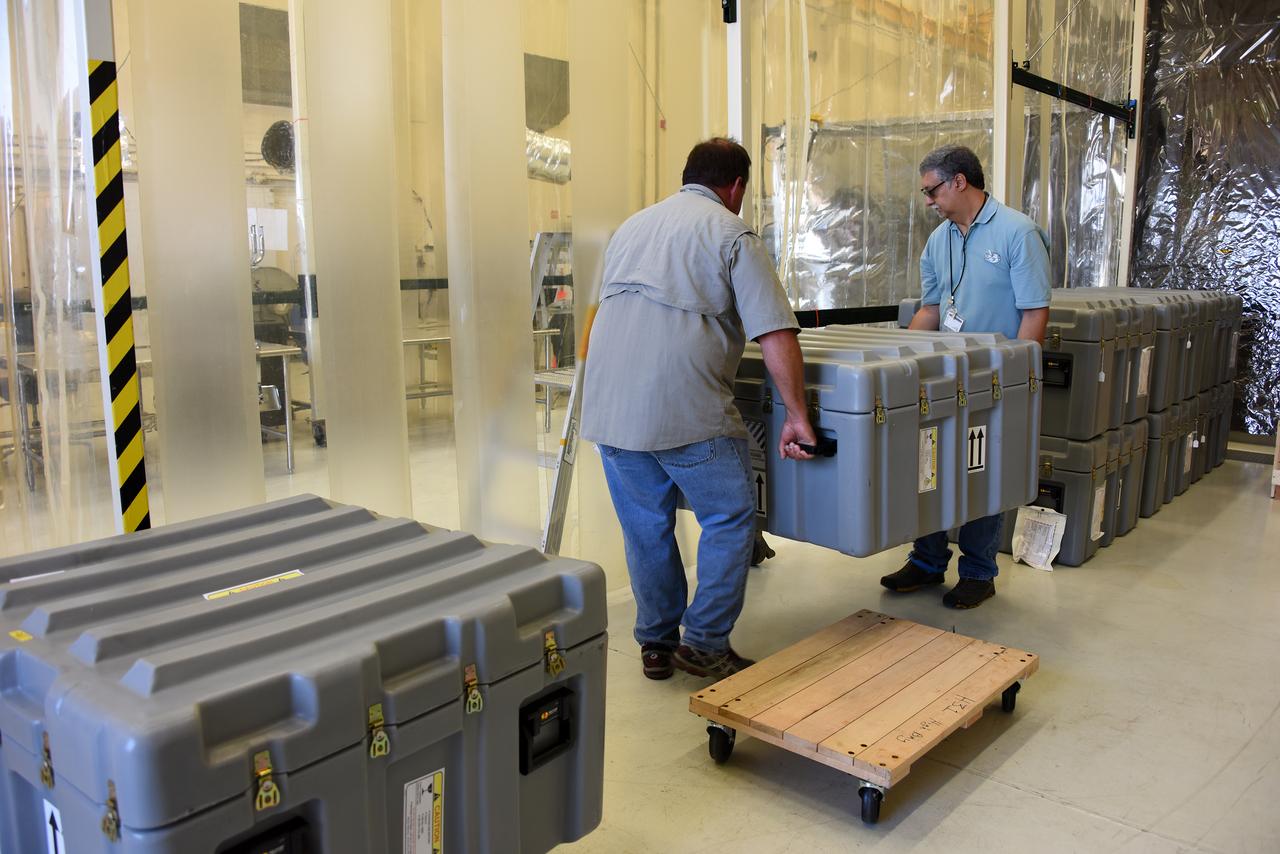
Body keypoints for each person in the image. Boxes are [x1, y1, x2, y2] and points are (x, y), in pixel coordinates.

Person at [582, 138, 817, 680]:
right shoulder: (731, 233)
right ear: (736, 187)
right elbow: (776, 333)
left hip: (609, 408)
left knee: (645, 527)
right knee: (729, 517)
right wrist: (798, 416)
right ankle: (706, 642)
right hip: (685, 410)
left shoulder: (631, 228)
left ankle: (657, 643)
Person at [880, 144, 1051, 609]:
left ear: (959, 181)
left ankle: (978, 572)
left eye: (932, 190)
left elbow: (1034, 313)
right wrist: (899, 362)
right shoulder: (939, 241)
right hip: (945, 381)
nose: (928, 201)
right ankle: (927, 561)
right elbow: (931, 309)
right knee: (929, 469)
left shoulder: (1018, 233)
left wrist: (1021, 382)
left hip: (996, 381)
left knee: (984, 473)